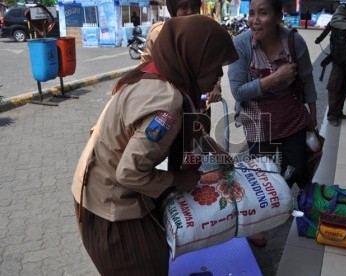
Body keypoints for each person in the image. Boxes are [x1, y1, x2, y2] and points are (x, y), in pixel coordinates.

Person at [71, 15, 238, 275]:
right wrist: (179, 179)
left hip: (95, 194)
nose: (219, 75)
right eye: (215, 66)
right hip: (111, 212)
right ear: (193, 61)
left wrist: (217, 153)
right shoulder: (167, 103)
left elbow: (192, 129)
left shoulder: (157, 74)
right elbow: (129, 173)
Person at [228, 0, 318, 246]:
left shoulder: (294, 42)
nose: (254, 20)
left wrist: (314, 114)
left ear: (279, 16)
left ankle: (282, 201)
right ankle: (260, 221)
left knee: (298, 168)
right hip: (258, 121)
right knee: (261, 177)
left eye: (263, 13)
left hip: (291, 117)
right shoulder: (241, 44)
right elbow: (238, 92)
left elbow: (307, 79)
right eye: (251, 13)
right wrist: (273, 79)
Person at [141, 0, 221, 133]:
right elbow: (145, 68)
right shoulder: (158, 33)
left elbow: (214, 64)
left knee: (200, 146)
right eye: (184, 7)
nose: (190, 12)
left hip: (200, 105)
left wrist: (216, 85)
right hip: (167, 108)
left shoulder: (206, 32)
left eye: (194, 7)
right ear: (173, 10)